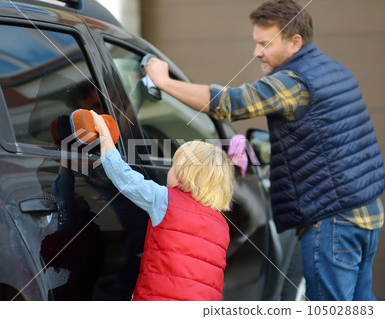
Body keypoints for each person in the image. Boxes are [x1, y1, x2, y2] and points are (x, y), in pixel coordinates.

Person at [144, 0, 385, 301]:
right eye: (256, 43)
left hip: (333, 222)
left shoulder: (294, 82)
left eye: (265, 44)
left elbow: (229, 103)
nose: (257, 52)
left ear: (295, 42)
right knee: (361, 304)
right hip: (366, 214)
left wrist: (163, 82)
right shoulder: (333, 70)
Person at [90, 110, 235, 300]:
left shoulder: (166, 201)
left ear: (186, 176)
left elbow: (125, 178)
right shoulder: (222, 226)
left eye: (174, 167)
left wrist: (105, 137)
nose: (169, 171)